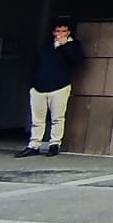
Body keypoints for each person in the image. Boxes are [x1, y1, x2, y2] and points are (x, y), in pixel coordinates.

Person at [19, 18, 85, 157]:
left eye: (64, 31)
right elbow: (35, 65)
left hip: (60, 86)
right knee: (37, 119)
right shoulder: (45, 47)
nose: (60, 34)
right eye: (58, 31)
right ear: (53, 32)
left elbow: (77, 60)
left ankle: (55, 143)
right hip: (39, 87)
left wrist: (65, 46)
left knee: (58, 117)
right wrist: (32, 84)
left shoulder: (73, 45)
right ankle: (34, 144)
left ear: (69, 32)